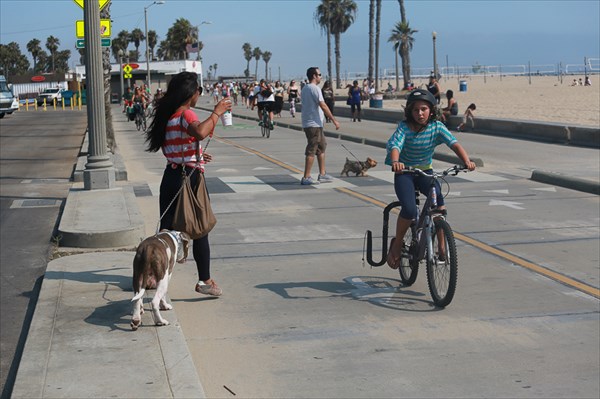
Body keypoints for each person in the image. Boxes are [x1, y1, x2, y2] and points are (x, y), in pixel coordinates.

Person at [144, 71, 232, 297]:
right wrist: (216, 113)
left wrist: (198, 155)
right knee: (200, 228)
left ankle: (152, 275)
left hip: (170, 177)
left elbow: (179, 146)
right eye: (198, 91)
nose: (199, 95)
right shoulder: (186, 115)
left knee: (167, 230)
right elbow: (200, 132)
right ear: (191, 93)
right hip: (189, 180)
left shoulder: (168, 116)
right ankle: (204, 280)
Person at [385, 89, 476, 269]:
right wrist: (396, 162)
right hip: (405, 173)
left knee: (439, 206)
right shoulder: (404, 128)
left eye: (424, 109)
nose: (420, 113)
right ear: (410, 111)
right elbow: (396, 145)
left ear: (432, 110)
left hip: (426, 171)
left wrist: (467, 161)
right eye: (416, 110)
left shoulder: (437, 127)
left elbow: (454, 143)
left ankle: (442, 249)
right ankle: (397, 243)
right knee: (410, 210)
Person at [300, 67, 340, 185]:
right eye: (319, 74)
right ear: (314, 76)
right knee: (312, 148)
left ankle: (322, 174)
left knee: (321, 147)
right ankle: (306, 177)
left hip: (315, 123)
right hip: (313, 124)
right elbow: (323, 105)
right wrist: (334, 120)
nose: (321, 77)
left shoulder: (305, 88)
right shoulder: (315, 89)